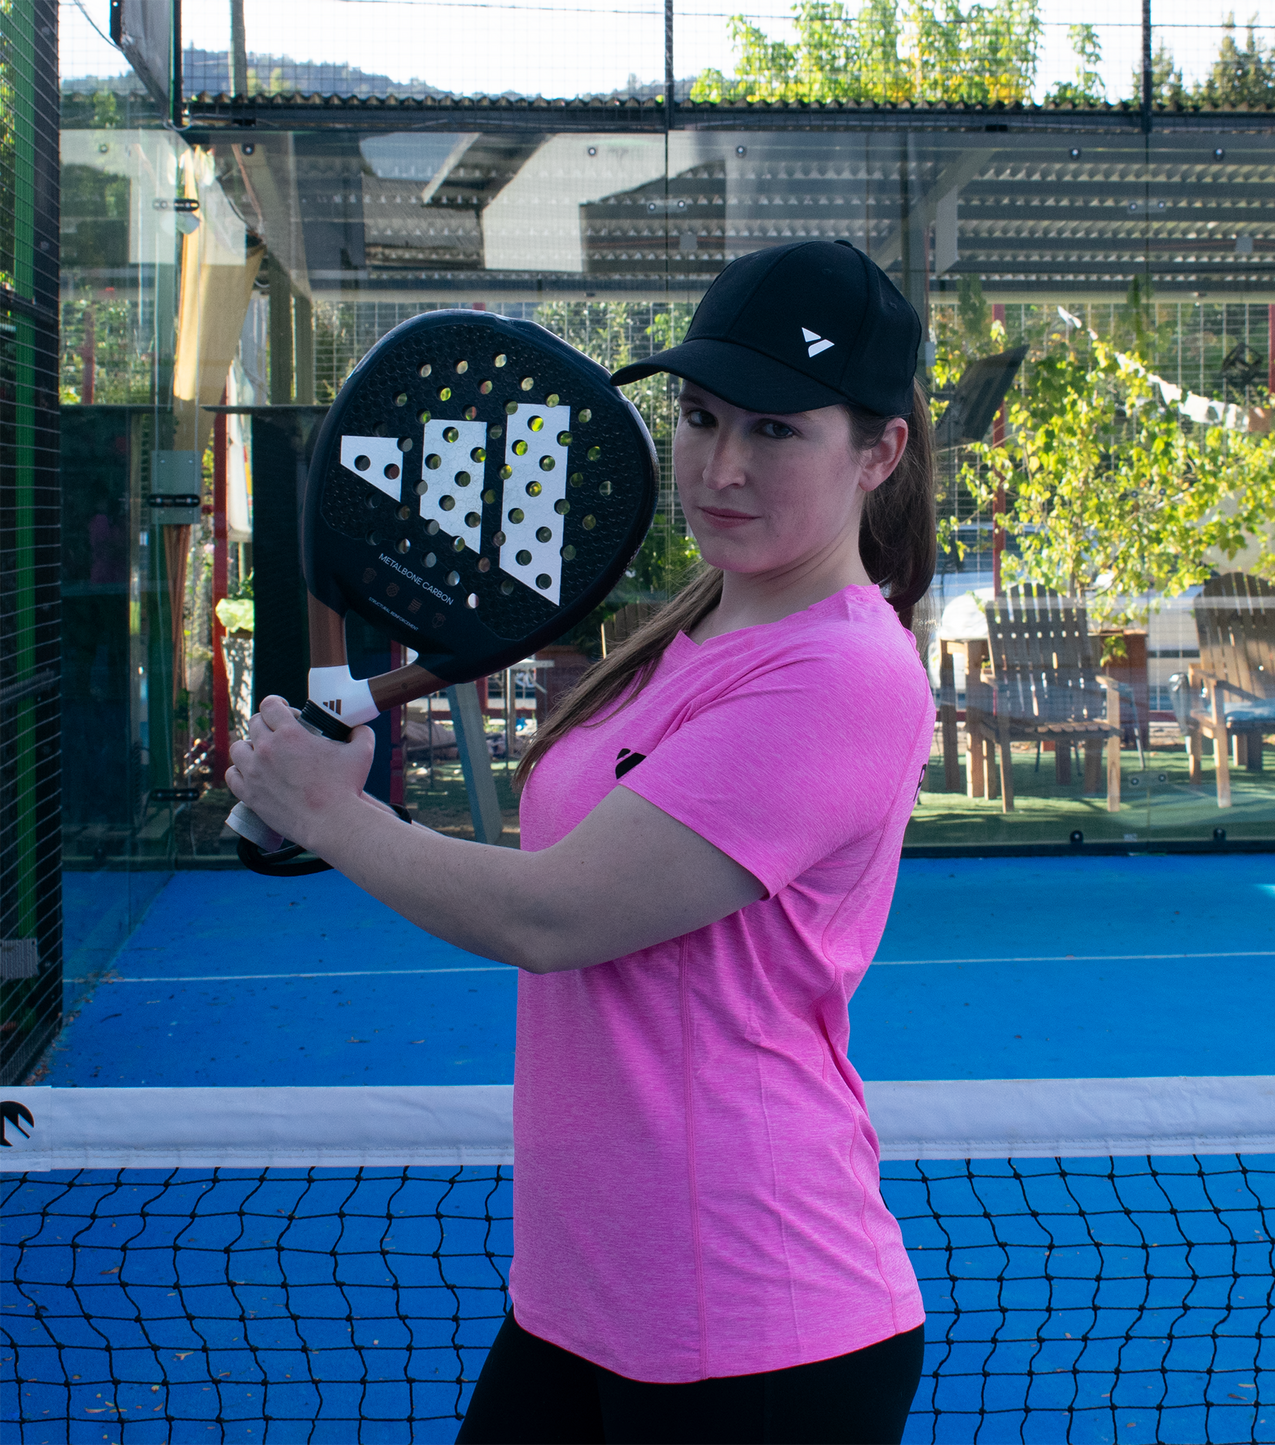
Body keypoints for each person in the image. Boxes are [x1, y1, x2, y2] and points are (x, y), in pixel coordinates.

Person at [227, 238, 938, 1444]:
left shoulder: (843, 675)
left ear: (877, 451)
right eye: (702, 416)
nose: (719, 465)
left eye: (775, 430)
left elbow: (550, 915)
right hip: (580, 1296)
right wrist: (332, 791)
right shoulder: (687, 633)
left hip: (752, 1323)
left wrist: (332, 815)